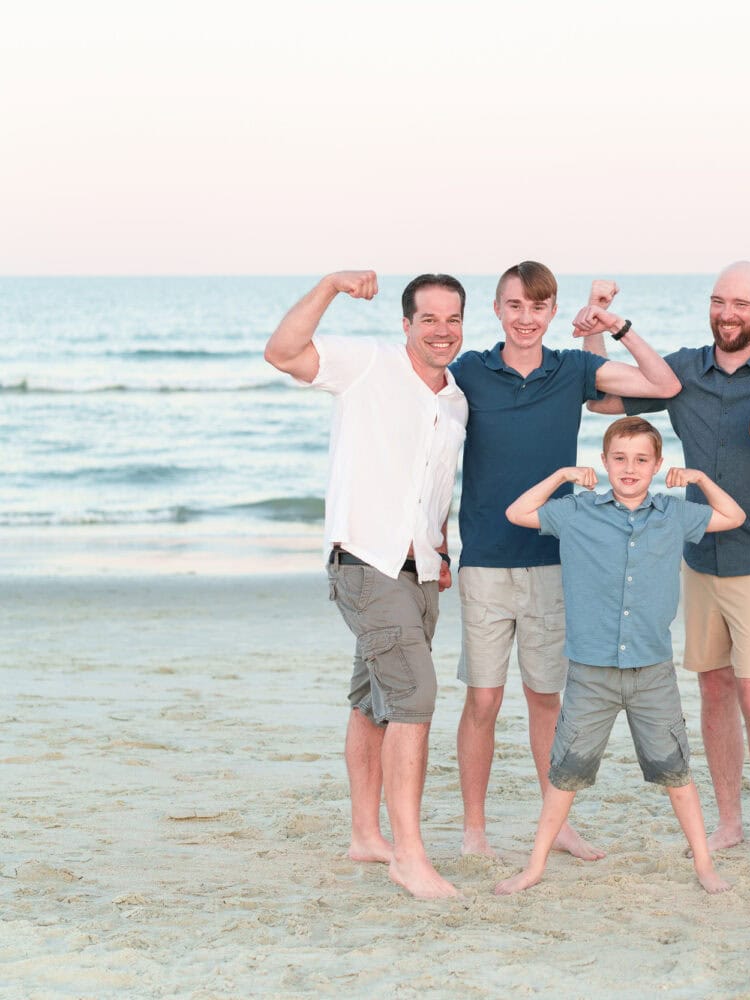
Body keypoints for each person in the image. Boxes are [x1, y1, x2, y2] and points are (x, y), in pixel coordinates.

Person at [590, 260, 750, 873]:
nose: (727, 313)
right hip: (699, 556)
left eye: (741, 304)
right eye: (719, 300)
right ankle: (728, 823)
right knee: (714, 690)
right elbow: (599, 398)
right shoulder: (684, 369)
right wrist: (593, 323)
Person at [449, 262, 680, 862]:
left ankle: (560, 827)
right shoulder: (470, 370)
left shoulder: (572, 368)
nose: (526, 319)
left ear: (553, 313)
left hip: (555, 562)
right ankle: (474, 829)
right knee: (483, 700)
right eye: (515, 306)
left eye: (538, 308)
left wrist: (611, 323)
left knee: (547, 699)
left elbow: (663, 386)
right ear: (497, 309)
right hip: (485, 562)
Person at [263, 270, 468, 899]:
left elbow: (430, 483)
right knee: (415, 698)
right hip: (364, 562)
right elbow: (282, 352)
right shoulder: (367, 365)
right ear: (406, 324)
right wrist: (329, 285)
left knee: (372, 701)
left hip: (419, 573)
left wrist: (438, 546)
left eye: (452, 319)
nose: (441, 331)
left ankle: (364, 835)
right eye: (428, 319)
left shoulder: (456, 400)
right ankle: (410, 855)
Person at [494, 416, 744, 895]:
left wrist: (700, 480)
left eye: (641, 460)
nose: (630, 469)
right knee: (565, 773)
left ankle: (705, 865)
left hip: (653, 671)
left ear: (657, 465)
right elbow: (517, 513)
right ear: (605, 461)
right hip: (591, 672)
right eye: (620, 458)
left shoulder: (673, 514)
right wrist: (563, 477)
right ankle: (535, 866)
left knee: (676, 770)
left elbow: (734, 518)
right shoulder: (577, 511)